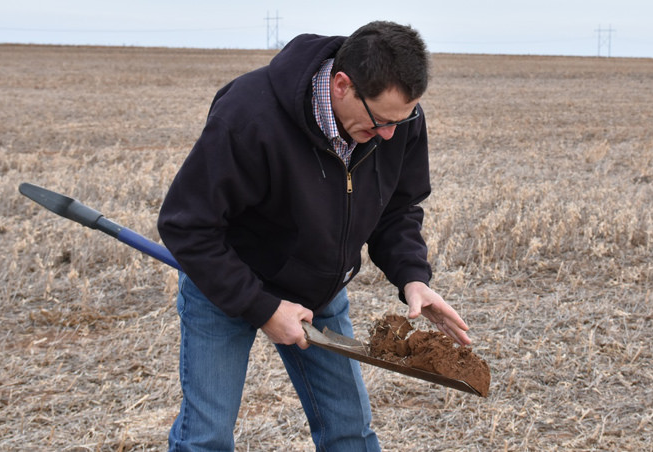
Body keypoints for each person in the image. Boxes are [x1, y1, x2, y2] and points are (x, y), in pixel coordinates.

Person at [157, 21, 472, 451]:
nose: (389, 134)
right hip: (225, 284)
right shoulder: (249, 115)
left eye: (403, 118)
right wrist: (263, 307)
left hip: (317, 288)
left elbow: (396, 208)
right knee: (206, 436)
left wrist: (413, 276)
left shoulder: (398, 121)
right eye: (380, 120)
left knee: (350, 432)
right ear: (342, 85)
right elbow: (186, 225)